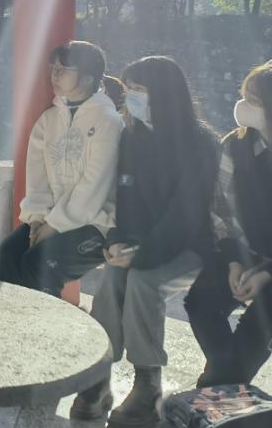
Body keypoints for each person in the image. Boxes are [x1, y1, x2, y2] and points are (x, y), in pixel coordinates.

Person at [72, 57, 218, 427]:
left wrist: (143, 254)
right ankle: (98, 375)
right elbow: (127, 196)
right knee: (112, 278)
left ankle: (148, 382)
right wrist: (118, 241)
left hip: (190, 246)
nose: (131, 97)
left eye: (139, 89)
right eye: (129, 89)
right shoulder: (132, 136)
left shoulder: (200, 142)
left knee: (142, 282)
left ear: (165, 94)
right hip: (141, 242)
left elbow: (186, 211)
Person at [184, 63, 272, 387]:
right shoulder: (237, 145)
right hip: (248, 249)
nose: (244, 106)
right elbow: (222, 208)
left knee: (263, 318)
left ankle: (214, 386)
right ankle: (223, 382)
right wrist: (234, 259)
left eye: (254, 100)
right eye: (244, 96)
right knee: (200, 302)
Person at [0, 40, 122, 296]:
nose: (54, 75)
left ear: (87, 78)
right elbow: (37, 179)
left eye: (63, 69)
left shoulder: (108, 121)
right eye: (53, 68)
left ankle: (44, 323)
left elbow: (94, 186)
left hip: (97, 223)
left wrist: (54, 225)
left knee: (40, 264)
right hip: (50, 218)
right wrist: (37, 219)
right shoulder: (48, 120)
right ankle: (8, 318)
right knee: (5, 255)